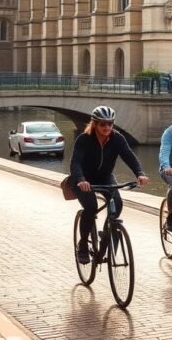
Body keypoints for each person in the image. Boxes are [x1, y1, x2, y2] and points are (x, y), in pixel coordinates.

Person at [69, 106, 149, 264]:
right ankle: (83, 244)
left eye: (110, 124)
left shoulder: (117, 138)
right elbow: (75, 162)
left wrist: (139, 173)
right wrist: (80, 179)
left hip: (105, 177)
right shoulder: (84, 139)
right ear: (94, 124)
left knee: (117, 204)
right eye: (102, 124)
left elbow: (129, 156)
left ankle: (107, 230)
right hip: (83, 179)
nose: (107, 127)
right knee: (90, 207)